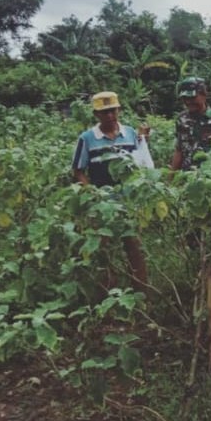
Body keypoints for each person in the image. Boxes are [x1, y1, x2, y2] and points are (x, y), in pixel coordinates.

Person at [72, 91, 150, 291]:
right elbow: (78, 170)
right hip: (102, 202)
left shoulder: (130, 133)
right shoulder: (87, 138)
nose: (109, 116)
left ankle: (142, 292)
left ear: (118, 110)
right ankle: (106, 292)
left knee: (134, 247)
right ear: (96, 114)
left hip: (129, 202)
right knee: (103, 249)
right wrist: (92, 194)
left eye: (112, 111)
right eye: (104, 112)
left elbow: (140, 162)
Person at [169, 77, 211, 172]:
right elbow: (179, 149)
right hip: (186, 175)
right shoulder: (181, 119)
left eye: (192, 98)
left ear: (204, 95)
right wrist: (171, 177)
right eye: (185, 98)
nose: (188, 102)